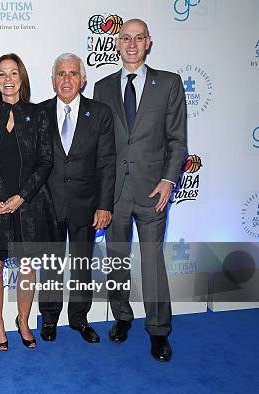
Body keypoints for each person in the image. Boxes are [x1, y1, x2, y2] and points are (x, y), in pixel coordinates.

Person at [93, 18, 187, 362]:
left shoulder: (170, 84)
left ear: (149, 42)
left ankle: (159, 330)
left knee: (152, 262)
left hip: (153, 190)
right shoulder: (102, 88)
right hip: (114, 192)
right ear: (117, 43)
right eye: (126, 38)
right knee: (117, 259)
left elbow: (177, 140)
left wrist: (168, 179)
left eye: (139, 38)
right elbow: (100, 144)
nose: (132, 44)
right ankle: (121, 317)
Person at [0, 53, 54, 351]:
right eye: (2, 75)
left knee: (27, 266)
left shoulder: (38, 115)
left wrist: (22, 196)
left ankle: (23, 321)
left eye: (13, 73)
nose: (8, 79)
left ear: (22, 78)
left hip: (29, 205)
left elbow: (46, 161)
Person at [38, 53, 115, 344]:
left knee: (83, 264)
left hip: (87, 203)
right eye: (61, 73)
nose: (66, 79)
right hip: (48, 202)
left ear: (83, 79)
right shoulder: (39, 113)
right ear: (53, 79)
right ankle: (49, 318)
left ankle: (80, 318)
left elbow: (107, 162)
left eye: (72, 73)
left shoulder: (100, 113)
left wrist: (105, 204)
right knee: (51, 264)